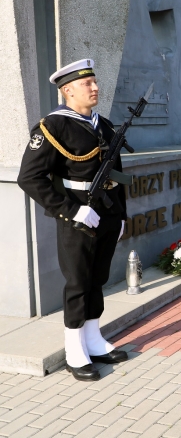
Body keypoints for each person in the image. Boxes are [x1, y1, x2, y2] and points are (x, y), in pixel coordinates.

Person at [17, 59, 129, 382]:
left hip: (107, 215)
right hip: (78, 216)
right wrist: (70, 209)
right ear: (67, 91)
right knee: (78, 283)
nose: (95, 87)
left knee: (98, 279)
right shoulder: (54, 126)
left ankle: (93, 340)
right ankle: (73, 350)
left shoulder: (105, 125)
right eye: (87, 84)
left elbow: (119, 176)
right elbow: (30, 178)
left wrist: (122, 216)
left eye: (94, 81)